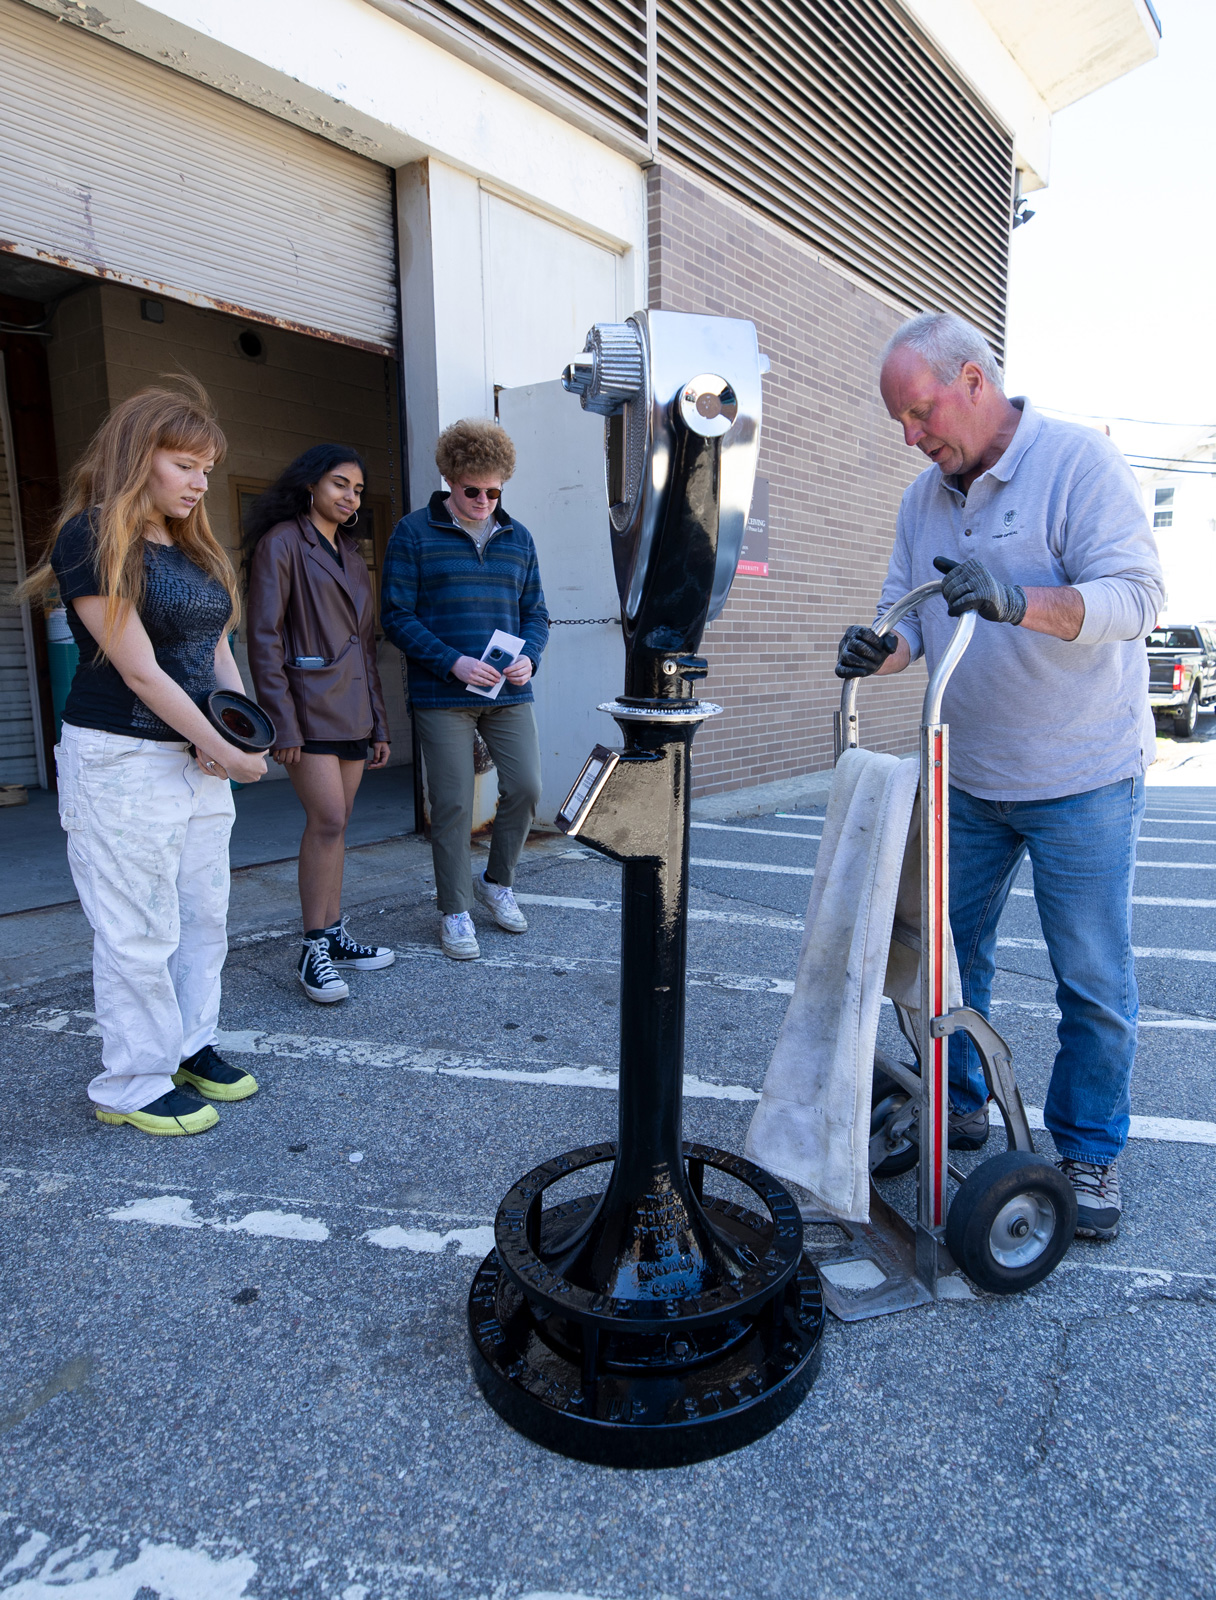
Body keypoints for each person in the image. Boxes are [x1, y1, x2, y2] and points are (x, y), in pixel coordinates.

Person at [836, 310, 1164, 1242]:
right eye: (899, 420)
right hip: (969, 776)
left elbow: (1136, 599)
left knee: (1092, 977)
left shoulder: (1077, 464)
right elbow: (911, 611)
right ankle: (960, 1102)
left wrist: (1019, 599)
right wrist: (884, 647)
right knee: (944, 959)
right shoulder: (923, 497)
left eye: (921, 411)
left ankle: (1089, 1153)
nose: (911, 435)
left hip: (1083, 775)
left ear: (975, 381)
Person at [20, 381, 266, 1136]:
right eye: (186, 464)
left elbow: (215, 646)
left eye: (207, 468)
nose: (200, 482)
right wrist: (215, 742)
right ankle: (130, 1081)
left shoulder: (188, 545)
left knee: (203, 914)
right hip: (122, 760)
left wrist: (241, 734)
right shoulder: (92, 536)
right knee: (135, 925)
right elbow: (139, 669)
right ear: (139, 456)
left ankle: (189, 1046)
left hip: (194, 758)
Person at [381, 419, 549, 960]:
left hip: (506, 694)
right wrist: (451, 662)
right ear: (450, 480)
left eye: (493, 491)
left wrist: (529, 657)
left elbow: (537, 615)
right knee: (452, 803)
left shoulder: (518, 537)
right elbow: (396, 616)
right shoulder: (413, 532)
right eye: (471, 490)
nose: (482, 500)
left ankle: (496, 882)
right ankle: (454, 910)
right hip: (441, 695)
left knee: (525, 788)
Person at [244, 446, 394, 1003]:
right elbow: (265, 637)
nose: (350, 497)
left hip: (353, 707)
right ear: (310, 486)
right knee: (327, 818)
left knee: (339, 823)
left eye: (356, 489)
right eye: (339, 484)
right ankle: (312, 950)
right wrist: (280, 723)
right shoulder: (282, 542)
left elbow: (365, 645)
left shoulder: (352, 554)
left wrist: (379, 724)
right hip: (305, 709)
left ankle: (333, 934)